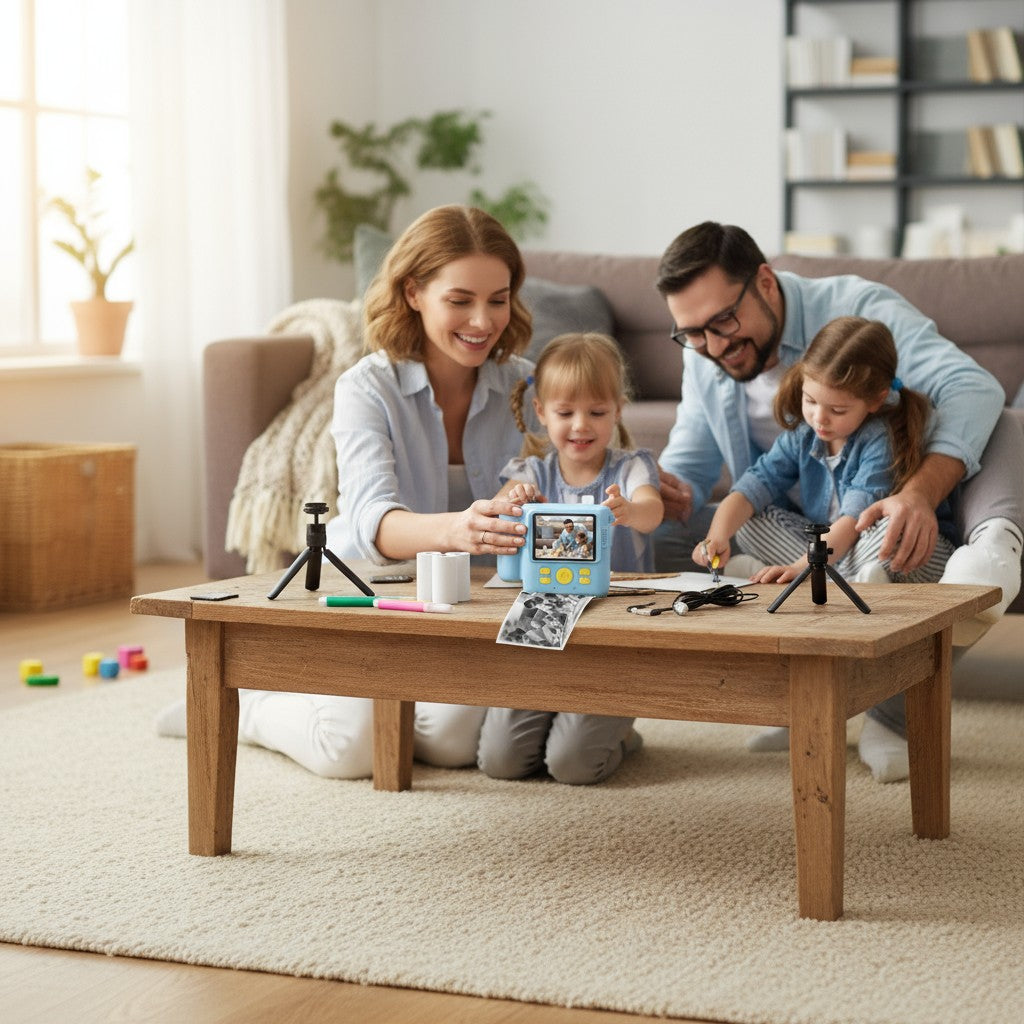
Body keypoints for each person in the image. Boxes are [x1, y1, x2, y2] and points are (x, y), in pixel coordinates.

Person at [156, 205, 537, 777]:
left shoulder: (524, 385)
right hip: (368, 593)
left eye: (498, 300)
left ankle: (389, 707)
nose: (483, 321)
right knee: (350, 750)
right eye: (460, 300)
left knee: (456, 743)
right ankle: (251, 706)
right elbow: (371, 520)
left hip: (462, 606)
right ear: (413, 292)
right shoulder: (367, 386)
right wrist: (459, 528)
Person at [655, 221, 1023, 782]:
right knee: (669, 532)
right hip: (797, 532)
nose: (713, 345)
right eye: (692, 334)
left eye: (723, 321)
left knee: (1001, 435)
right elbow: (699, 466)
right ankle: (795, 695)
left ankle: (896, 703)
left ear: (765, 283)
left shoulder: (857, 311)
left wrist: (918, 494)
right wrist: (646, 492)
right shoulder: (708, 354)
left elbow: (973, 389)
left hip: (869, 523)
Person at [477, 331, 664, 785]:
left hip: (611, 633)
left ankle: (621, 735)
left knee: (573, 765)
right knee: (500, 762)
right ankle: (564, 719)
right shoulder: (531, 471)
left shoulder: (630, 467)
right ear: (541, 412)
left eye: (597, 412)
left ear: (618, 410)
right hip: (540, 626)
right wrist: (514, 502)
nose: (581, 425)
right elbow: (497, 513)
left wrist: (629, 510)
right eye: (565, 413)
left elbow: (652, 512)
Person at [695, 315, 956, 589]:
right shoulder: (805, 433)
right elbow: (754, 484)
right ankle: (840, 581)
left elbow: (854, 521)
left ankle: (822, 579)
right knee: (751, 521)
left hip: (890, 548)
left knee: (891, 531)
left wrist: (800, 567)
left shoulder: (879, 437)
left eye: (837, 410)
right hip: (837, 552)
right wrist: (716, 536)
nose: (819, 418)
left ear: (875, 400)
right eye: (810, 401)